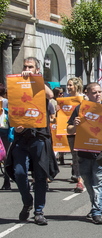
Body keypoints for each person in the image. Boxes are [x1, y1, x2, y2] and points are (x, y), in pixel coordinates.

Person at [5, 56, 59, 225]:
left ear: (37, 70)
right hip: (22, 138)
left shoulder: (41, 86)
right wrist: (16, 126)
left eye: (31, 67)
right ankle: (27, 200)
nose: (27, 69)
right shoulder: (17, 86)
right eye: (25, 66)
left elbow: (50, 95)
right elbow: (12, 110)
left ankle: (39, 211)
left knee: (40, 176)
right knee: (19, 172)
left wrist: (35, 80)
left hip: (39, 138)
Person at [67, 82, 102, 224]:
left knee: (99, 184)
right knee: (89, 184)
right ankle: (96, 206)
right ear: (87, 94)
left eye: (100, 92)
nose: (98, 95)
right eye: (94, 92)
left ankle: (97, 212)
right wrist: (74, 125)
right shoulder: (80, 108)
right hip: (84, 153)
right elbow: (69, 130)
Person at [66, 77, 85, 192]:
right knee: (75, 157)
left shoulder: (84, 98)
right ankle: (79, 179)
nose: (68, 87)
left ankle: (82, 179)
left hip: (83, 132)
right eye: (67, 85)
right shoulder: (64, 99)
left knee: (82, 157)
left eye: (70, 85)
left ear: (76, 86)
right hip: (71, 130)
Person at [0, 83, 11, 190]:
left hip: (3, 132)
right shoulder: (7, 102)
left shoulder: (6, 102)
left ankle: (6, 181)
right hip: (5, 131)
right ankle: (6, 180)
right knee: (5, 157)